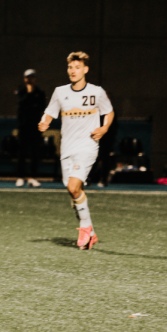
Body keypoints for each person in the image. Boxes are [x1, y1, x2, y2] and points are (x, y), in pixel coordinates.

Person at [38, 51, 114, 250]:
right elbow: (49, 112)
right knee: (73, 191)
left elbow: (109, 112)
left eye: (77, 67)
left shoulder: (97, 92)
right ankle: (90, 229)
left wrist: (104, 128)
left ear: (85, 70)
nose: (73, 71)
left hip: (87, 147)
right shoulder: (60, 91)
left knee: (73, 187)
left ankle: (85, 229)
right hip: (67, 149)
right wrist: (44, 122)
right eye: (70, 67)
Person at [15, 68, 46, 187]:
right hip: (23, 126)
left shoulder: (39, 91)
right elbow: (21, 103)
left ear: (35, 79)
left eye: (32, 77)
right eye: (28, 77)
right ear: (24, 79)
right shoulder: (20, 90)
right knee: (22, 152)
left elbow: (41, 107)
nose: (30, 79)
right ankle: (20, 177)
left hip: (35, 126)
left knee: (34, 152)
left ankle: (33, 177)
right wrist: (28, 94)